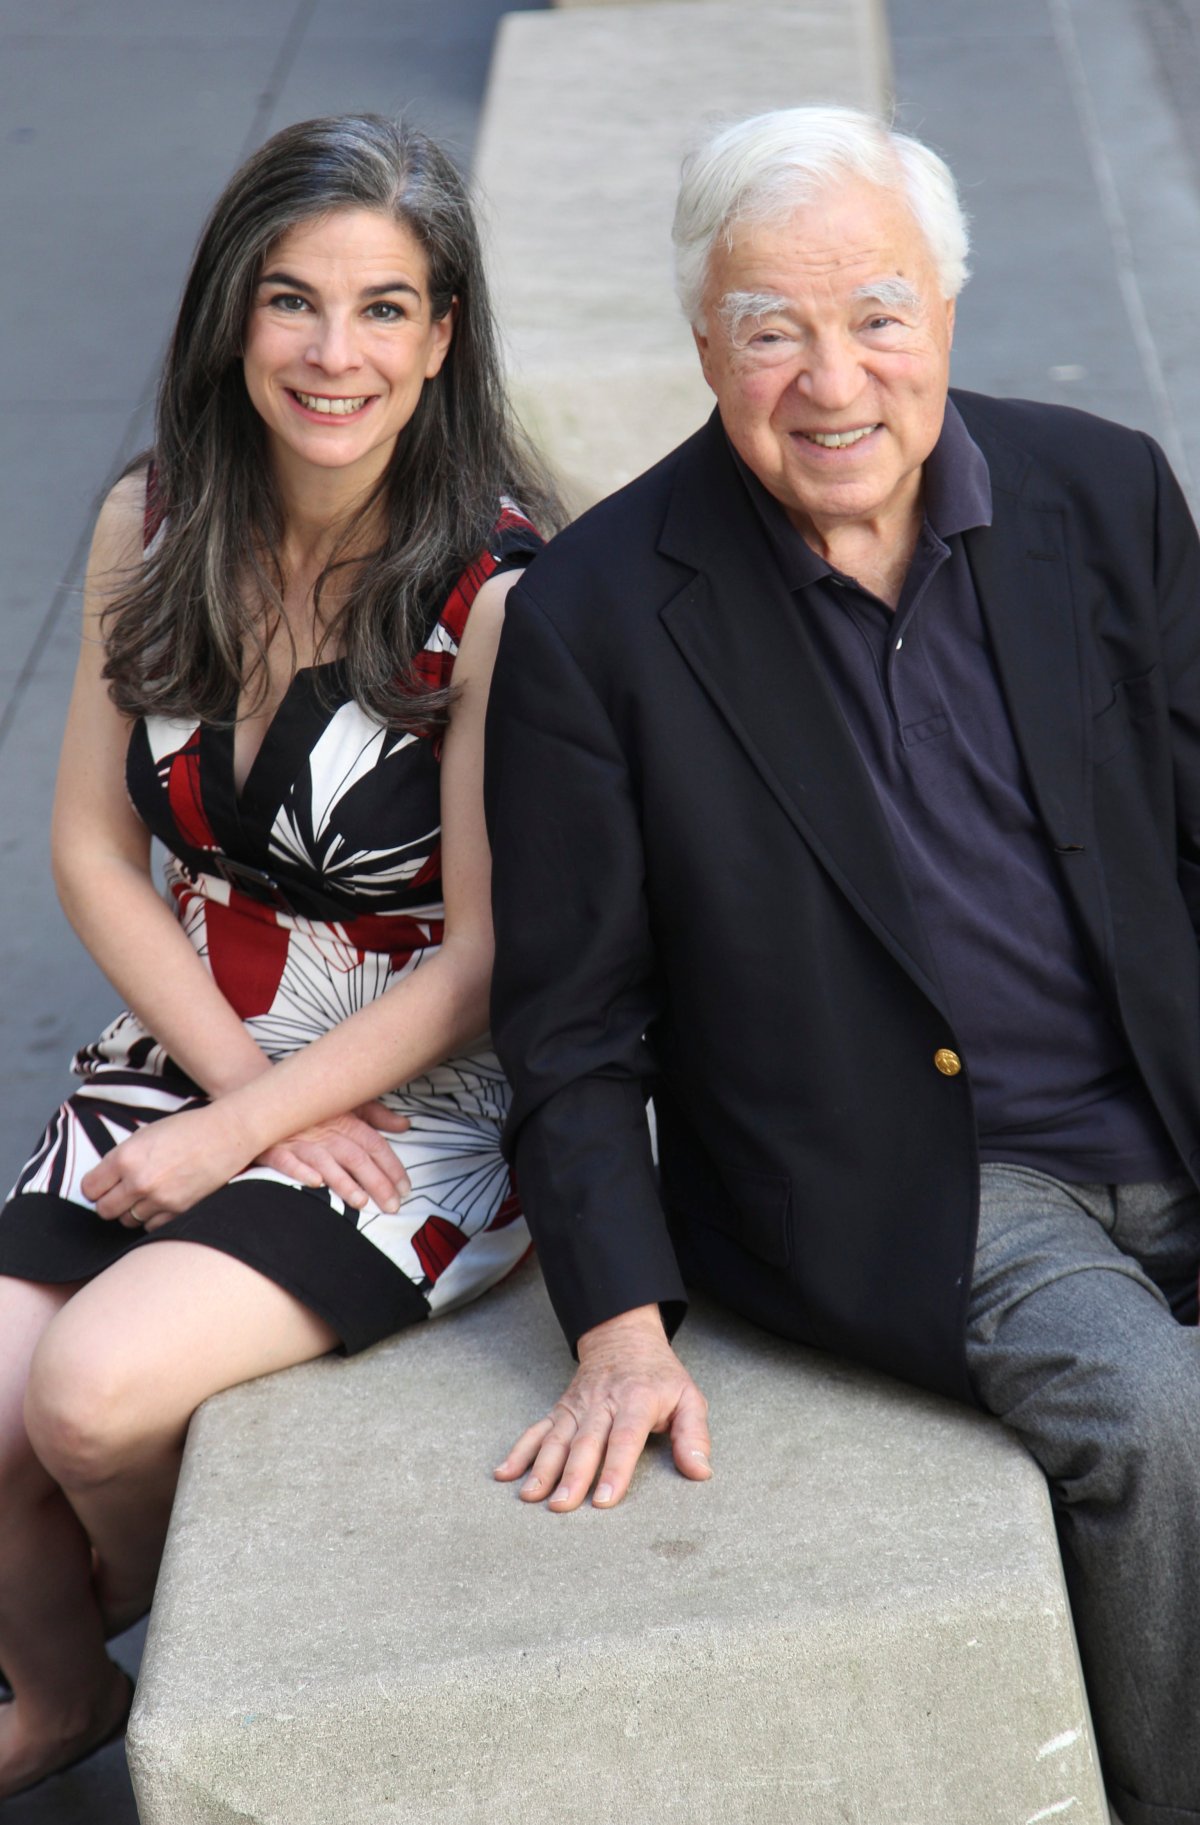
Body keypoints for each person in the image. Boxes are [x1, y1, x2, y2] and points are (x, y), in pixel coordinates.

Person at [484, 104, 1200, 1825]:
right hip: (931, 1177)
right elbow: (569, 1023)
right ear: (705, 345)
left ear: (945, 312)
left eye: (877, 315)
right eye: (769, 329)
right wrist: (618, 1322)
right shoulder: (594, 617)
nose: (832, 378)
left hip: (1165, 1100)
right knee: (1164, 1433)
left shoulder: (1101, 492)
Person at [0, 112, 560, 1799]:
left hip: (422, 1086)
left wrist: (251, 1126)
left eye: (386, 308)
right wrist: (236, 1094)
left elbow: (485, 960)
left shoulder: (496, 592)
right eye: (293, 300)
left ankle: (171, 1645)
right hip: (198, 1039)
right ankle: (51, 1689)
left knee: (90, 1402)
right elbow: (94, 849)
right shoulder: (149, 522)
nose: (335, 352)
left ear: (444, 334)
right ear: (231, 315)